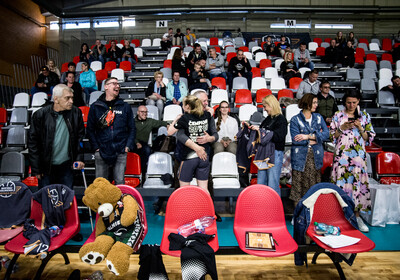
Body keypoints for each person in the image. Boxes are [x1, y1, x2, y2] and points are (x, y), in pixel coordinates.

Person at [330, 90, 376, 232]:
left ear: (358, 102)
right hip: (342, 157)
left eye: (354, 102)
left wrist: (361, 128)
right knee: (340, 186)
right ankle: (338, 217)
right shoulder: (338, 115)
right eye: (348, 102)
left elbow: (369, 138)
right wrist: (341, 128)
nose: (351, 105)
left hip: (358, 158)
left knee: (357, 186)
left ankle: (357, 217)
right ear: (345, 102)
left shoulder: (365, 116)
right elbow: (332, 136)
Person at [28, 84, 85, 189]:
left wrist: (79, 158)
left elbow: (79, 138)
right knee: (47, 199)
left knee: (66, 200)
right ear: (56, 99)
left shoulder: (76, 113)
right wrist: (36, 168)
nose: (71, 101)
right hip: (46, 167)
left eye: (72, 98)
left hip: (67, 166)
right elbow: (33, 143)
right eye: (67, 98)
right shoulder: (40, 115)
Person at [87, 77, 136, 185]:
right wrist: (96, 147)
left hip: (120, 151)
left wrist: (127, 146)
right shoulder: (96, 106)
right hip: (102, 151)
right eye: (114, 83)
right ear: (106, 87)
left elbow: (132, 128)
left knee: (120, 183)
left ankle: (119, 203)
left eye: (118, 84)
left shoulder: (125, 106)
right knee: (100, 184)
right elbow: (90, 130)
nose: (117, 86)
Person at [289, 93, 329, 206]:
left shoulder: (319, 117)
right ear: (307, 103)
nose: (316, 105)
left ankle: (312, 212)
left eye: (316, 102)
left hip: (315, 156)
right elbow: (296, 140)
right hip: (300, 158)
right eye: (314, 102)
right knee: (298, 186)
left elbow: (326, 134)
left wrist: (308, 137)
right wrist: (316, 138)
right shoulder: (295, 119)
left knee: (314, 185)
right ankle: (298, 215)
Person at [173, 95, 214, 191]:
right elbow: (211, 111)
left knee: (184, 190)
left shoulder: (184, 118)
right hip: (204, 156)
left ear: (187, 106)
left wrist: (176, 120)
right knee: (204, 190)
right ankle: (207, 206)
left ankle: (186, 206)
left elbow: (171, 132)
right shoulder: (206, 115)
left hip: (189, 157)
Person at [249, 95, 287, 196]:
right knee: (261, 181)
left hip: (275, 153)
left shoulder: (281, 119)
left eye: (265, 106)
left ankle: (274, 208)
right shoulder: (267, 119)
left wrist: (261, 131)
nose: (264, 109)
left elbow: (279, 137)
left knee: (272, 183)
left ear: (271, 105)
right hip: (264, 153)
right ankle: (262, 205)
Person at [135, 105, 168, 175]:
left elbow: (161, 123)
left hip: (143, 144)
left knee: (147, 150)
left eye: (146, 112)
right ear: (138, 112)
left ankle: (143, 172)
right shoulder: (132, 122)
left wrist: (167, 125)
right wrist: (137, 142)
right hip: (133, 142)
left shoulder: (150, 121)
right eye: (142, 112)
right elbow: (129, 134)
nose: (144, 113)